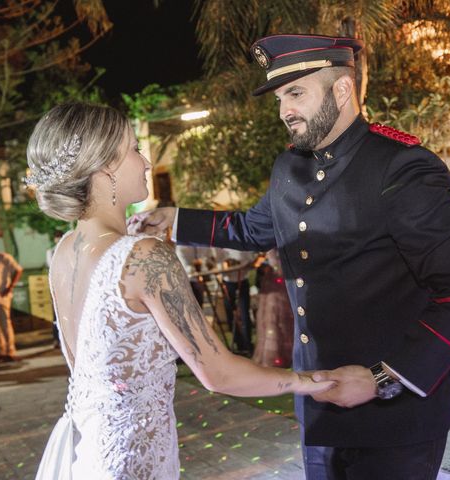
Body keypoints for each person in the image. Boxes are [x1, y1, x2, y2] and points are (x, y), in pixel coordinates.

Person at [129, 34, 450, 479]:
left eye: (296, 92)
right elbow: (255, 228)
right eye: (281, 97)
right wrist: (175, 220)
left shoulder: (402, 166)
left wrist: (384, 377)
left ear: (342, 90)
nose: (285, 110)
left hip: (395, 415)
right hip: (319, 407)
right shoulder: (290, 167)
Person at [26, 102, 333, 480]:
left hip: (86, 452)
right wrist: (313, 382)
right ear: (106, 165)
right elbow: (218, 373)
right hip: (132, 462)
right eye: (134, 150)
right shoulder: (144, 256)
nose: (145, 162)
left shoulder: (64, 251)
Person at [253, 249, 294, 368]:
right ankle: (279, 356)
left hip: (279, 278)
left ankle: (284, 354)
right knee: (275, 317)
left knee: (279, 317)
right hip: (277, 278)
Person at [214, 248, 257, 354]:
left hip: (242, 280)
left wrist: (242, 265)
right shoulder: (220, 245)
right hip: (228, 282)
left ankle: (247, 344)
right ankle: (238, 343)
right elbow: (218, 262)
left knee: (244, 313)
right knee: (230, 315)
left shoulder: (241, 242)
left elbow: (250, 260)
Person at [46, 230, 64, 348]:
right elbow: (50, 265)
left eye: (59, 237)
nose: (58, 239)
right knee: (56, 313)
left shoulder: (66, 249)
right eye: (56, 237)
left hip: (66, 284)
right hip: (56, 284)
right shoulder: (51, 251)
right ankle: (56, 339)